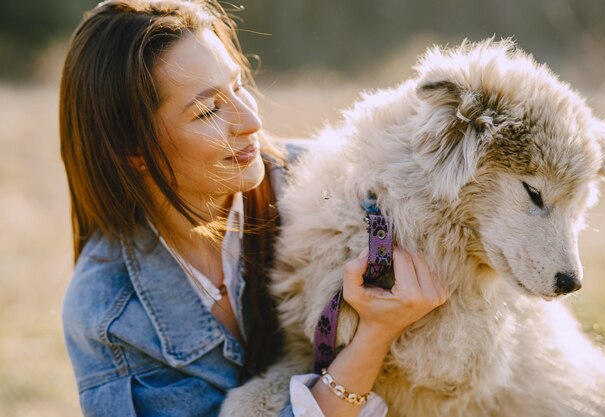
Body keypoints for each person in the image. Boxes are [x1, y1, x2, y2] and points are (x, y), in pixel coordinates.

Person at [59, 1, 449, 416]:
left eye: (239, 85)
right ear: (133, 149)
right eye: (208, 110)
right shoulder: (109, 315)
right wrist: (375, 334)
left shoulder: (334, 186)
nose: (251, 121)